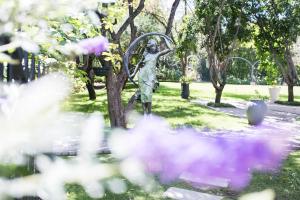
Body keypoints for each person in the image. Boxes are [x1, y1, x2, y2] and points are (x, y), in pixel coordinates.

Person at [135, 38, 172, 115]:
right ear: (149, 47)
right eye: (151, 46)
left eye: (154, 46)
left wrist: (165, 38)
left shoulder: (156, 55)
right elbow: (138, 64)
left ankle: (149, 113)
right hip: (142, 75)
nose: (153, 48)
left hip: (150, 77)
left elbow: (169, 49)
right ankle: (145, 113)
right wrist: (133, 74)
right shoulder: (145, 55)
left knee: (149, 95)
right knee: (143, 95)